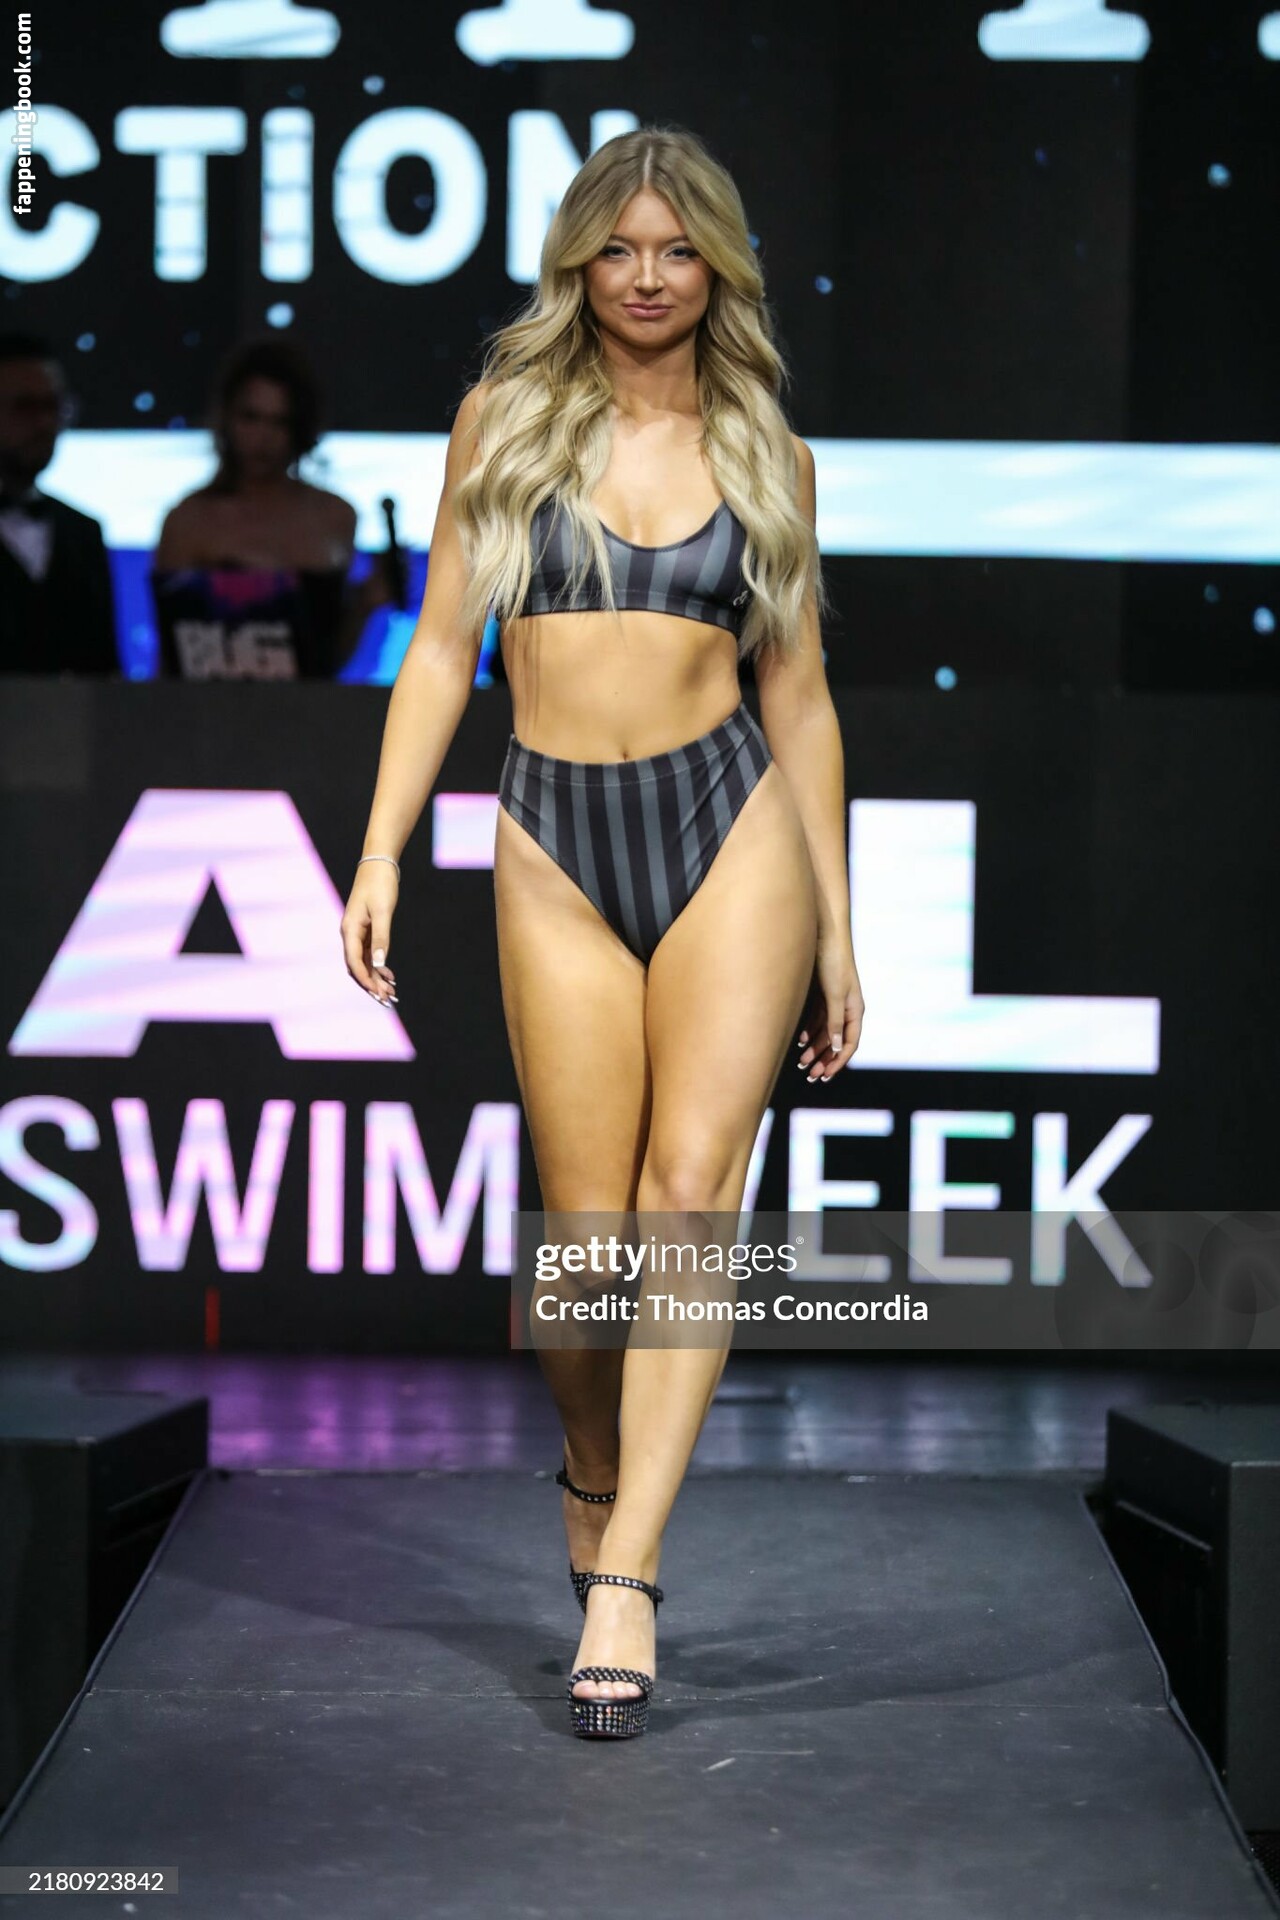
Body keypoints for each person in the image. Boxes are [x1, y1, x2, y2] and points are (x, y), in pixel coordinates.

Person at [341, 125, 865, 1739]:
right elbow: (442, 647)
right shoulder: (504, 421)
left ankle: (627, 1569)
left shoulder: (768, 450)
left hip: (732, 825)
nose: (648, 277)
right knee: (581, 1251)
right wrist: (378, 851)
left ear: (720, 267)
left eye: (679, 249)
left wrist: (840, 932)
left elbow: (800, 698)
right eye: (621, 249)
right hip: (554, 834)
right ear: (578, 262)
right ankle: (590, 1466)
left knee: (689, 1195)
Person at [152, 337, 399, 677]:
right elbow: (170, 659)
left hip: (304, 708)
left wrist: (366, 604)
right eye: (251, 418)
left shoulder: (335, 516)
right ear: (226, 419)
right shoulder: (188, 520)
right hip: (204, 707)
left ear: (300, 427)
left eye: (280, 422)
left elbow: (325, 660)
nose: (263, 437)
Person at [0, 331, 119, 676]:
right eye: (24, 407)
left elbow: (105, 674)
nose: (44, 424)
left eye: (53, 407)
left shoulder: (84, 532)